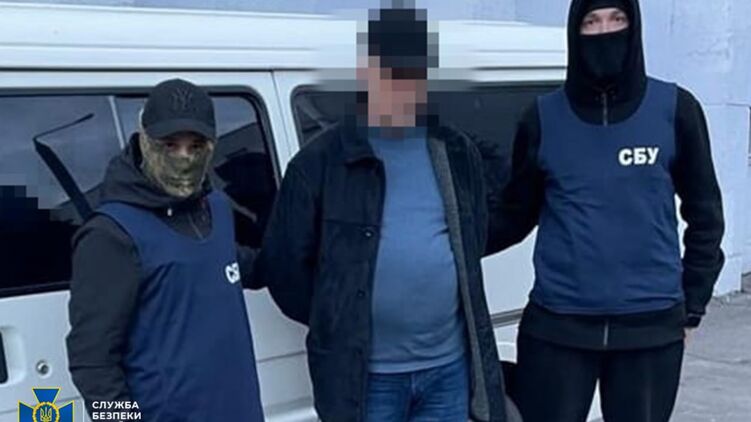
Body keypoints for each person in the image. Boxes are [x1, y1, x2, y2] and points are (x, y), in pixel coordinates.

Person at [254, 5, 513, 422]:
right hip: (365, 378)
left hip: (447, 369)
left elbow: (473, 235)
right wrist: (337, 317)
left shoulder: (455, 151)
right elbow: (284, 269)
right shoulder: (320, 163)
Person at [486, 1, 726, 421]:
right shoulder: (541, 118)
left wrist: (692, 305)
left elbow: (705, 215)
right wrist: (444, 239)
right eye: (591, 21)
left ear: (634, 27)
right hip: (558, 326)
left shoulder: (676, 109)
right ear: (574, 31)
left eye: (617, 19)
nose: (605, 31)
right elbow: (514, 214)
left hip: (649, 329)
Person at [66, 79, 264, 421]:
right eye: (169, 144)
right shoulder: (111, 235)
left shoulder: (216, 208)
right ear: (144, 141)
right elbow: (92, 362)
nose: (183, 158)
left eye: (195, 145)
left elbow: (237, 263)